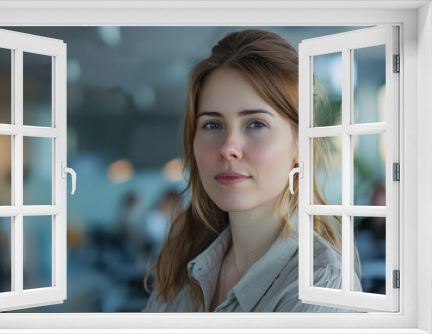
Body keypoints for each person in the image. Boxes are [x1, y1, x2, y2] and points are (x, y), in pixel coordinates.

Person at [141, 29, 362, 312]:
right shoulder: (182, 270)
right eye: (212, 125)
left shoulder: (322, 288)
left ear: (299, 144)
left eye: (256, 123)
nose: (228, 148)